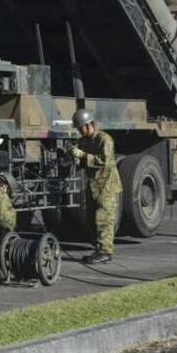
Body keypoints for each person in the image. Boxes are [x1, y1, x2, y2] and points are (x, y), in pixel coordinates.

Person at [71, 108, 122, 265]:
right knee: (90, 219)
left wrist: (83, 155)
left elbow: (104, 161)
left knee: (104, 219)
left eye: (81, 128)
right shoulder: (84, 141)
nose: (79, 132)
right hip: (93, 184)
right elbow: (81, 161)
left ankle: (105, 252)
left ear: (89, 125)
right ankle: (98, 249)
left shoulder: (104, 139)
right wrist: (74, 157)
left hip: (106, 185)